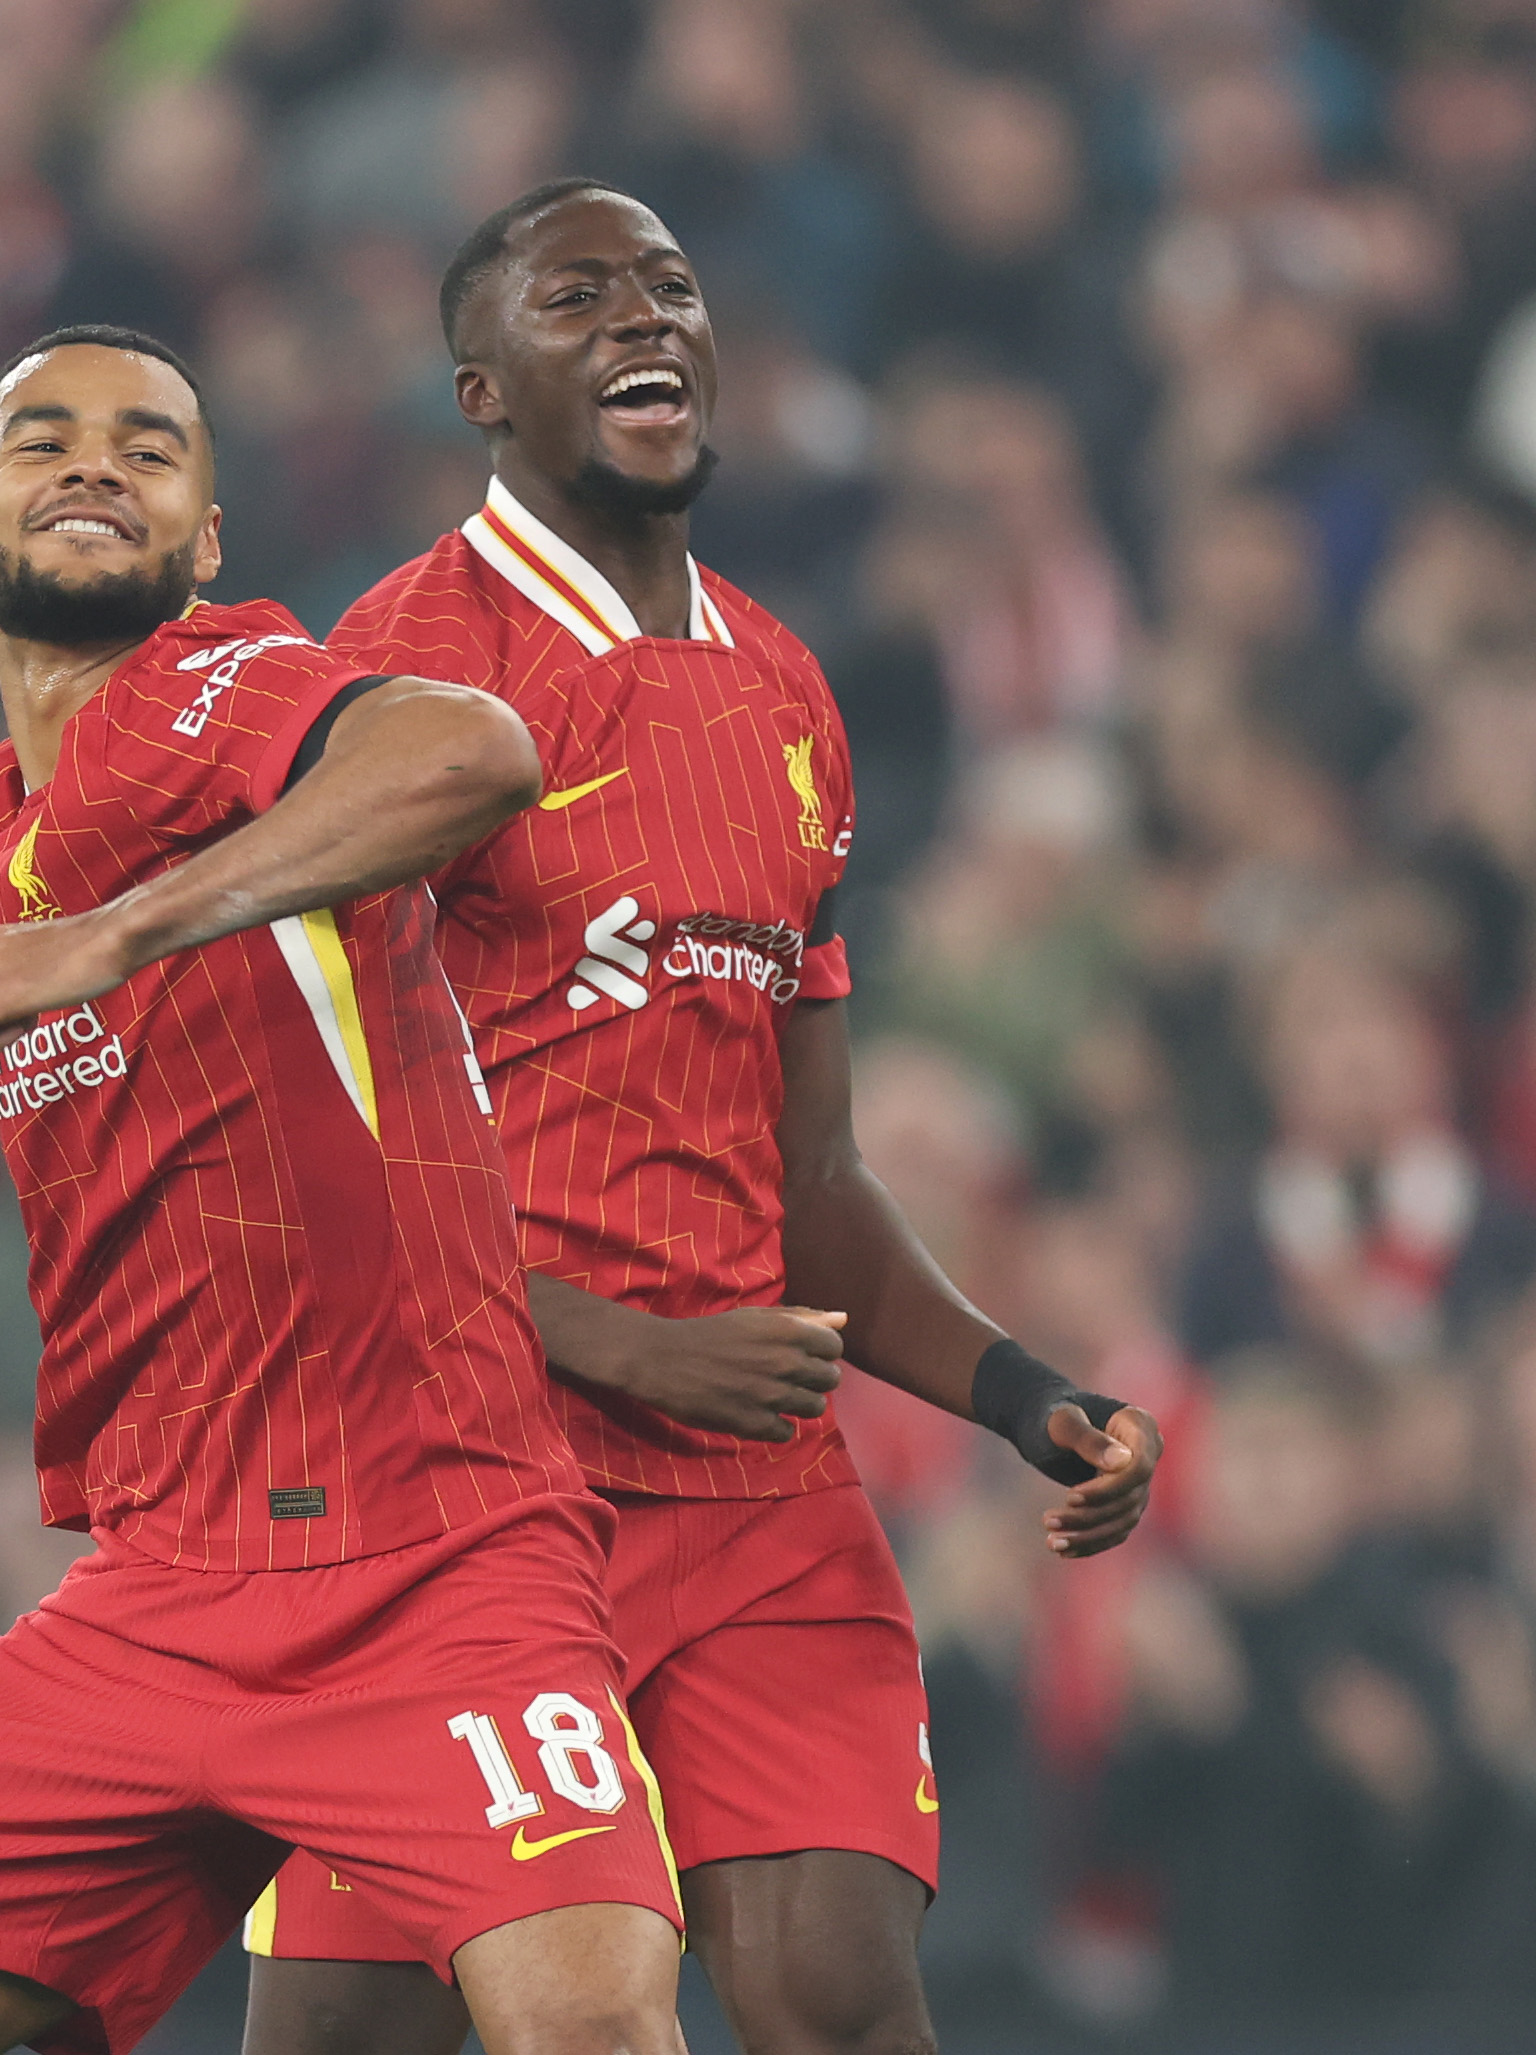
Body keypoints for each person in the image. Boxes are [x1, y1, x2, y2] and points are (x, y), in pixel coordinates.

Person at [0, 326, 688, 2055]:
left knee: (589, 2028)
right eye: (41, 440)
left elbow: (474, 751)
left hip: (433, 1554)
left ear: (204, 543)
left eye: (148, 445)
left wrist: (132, 926)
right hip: (157, 1591)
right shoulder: (10, 822)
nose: (94, 464)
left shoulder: (230, 690)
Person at [238, 182, 1166, 2055]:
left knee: (839, 1991)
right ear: (481, 387)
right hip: (465, 1478)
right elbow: (293, 1150)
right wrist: (622, 1349)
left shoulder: (786, 692)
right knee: (359, 2035)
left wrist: (1017, 1395)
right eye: (578, 296)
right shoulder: (396, 674)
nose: (645, 318)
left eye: (669, 285)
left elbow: (806, 1173)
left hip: (755, 1491)